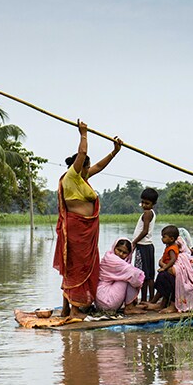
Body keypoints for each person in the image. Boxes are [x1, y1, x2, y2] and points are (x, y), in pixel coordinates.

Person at [53, 120, 123, 319]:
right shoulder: (71, 177)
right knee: (76, 268)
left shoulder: (82, 178)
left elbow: (100, 166)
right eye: (86, 166)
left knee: (82, 267)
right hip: (77, 231)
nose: (89, 169)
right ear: (80, 166)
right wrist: (83, 133)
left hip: (86, 233)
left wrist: (115, 151)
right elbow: (82, 154)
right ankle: (73, 310)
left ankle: (68, 308)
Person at [95, 238, 146, 315]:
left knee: (128, 274)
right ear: (114, 247)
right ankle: (129, 307)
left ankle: (130, 305)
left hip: (99, 302)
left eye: (124, 253)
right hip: (106, 299)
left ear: (129, 254)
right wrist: (136, 290)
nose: (121, 254)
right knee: (130, 276)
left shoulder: (108, 256)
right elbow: (137, 275)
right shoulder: (111, 259)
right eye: (119, 250)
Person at [132, 187, 158, 305]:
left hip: (143, 246)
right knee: (150, 275)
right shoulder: (151, 213)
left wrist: (134, 242)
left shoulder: (147, 213)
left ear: (153, 204)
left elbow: (145, 231)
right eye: (142, 202)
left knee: (143, 275)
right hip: (148, 246)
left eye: (147, 203)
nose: (144, 205)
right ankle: (151, 299)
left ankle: (143, 300)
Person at [146, 225, 181, 311]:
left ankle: (163, 304)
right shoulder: (169, 247)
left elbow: (173, 259)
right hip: (167, 268)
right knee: (161, 278)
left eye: (164, 237)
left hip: (170, 270)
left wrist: (164, 267)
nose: (162, 239)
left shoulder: (172, 249)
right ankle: (155, 301)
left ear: (172, 239)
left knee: (162, 276)